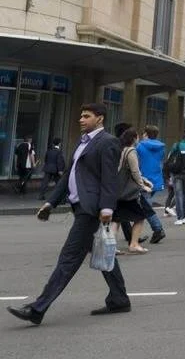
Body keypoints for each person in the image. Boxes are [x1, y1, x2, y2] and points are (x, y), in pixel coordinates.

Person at [8, 103, 131, 325]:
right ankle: (119, 298)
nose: (81, 120)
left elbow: (110, 178)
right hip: (79, 206)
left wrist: (106, 208)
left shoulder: (108, 142)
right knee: (103, 253)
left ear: (100, 118)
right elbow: (68, 176)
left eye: (86, 116)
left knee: (68, 258)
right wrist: (50, 203)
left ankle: (38, 308)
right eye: (80, 116)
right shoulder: (83, 142)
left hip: (91, 208)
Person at [113, 127, 152, 255]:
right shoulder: (131, 151)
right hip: (129, 192)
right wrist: (142, 185)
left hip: (118, 190)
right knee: (140, 217)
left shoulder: (120, 150)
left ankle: (111, 246)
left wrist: (144, 179)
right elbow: (135, 171)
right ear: (134, 138)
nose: (139, 139)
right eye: (137, 136)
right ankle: (134, 244)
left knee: (116, 219)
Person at [135, 125, 167, 244]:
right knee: (142, 206)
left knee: (145, 207)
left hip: (144, 179)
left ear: (146, 134)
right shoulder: (161, 147)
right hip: (156, 179)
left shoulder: (139, 146)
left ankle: (158, 229)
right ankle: (132, 234)